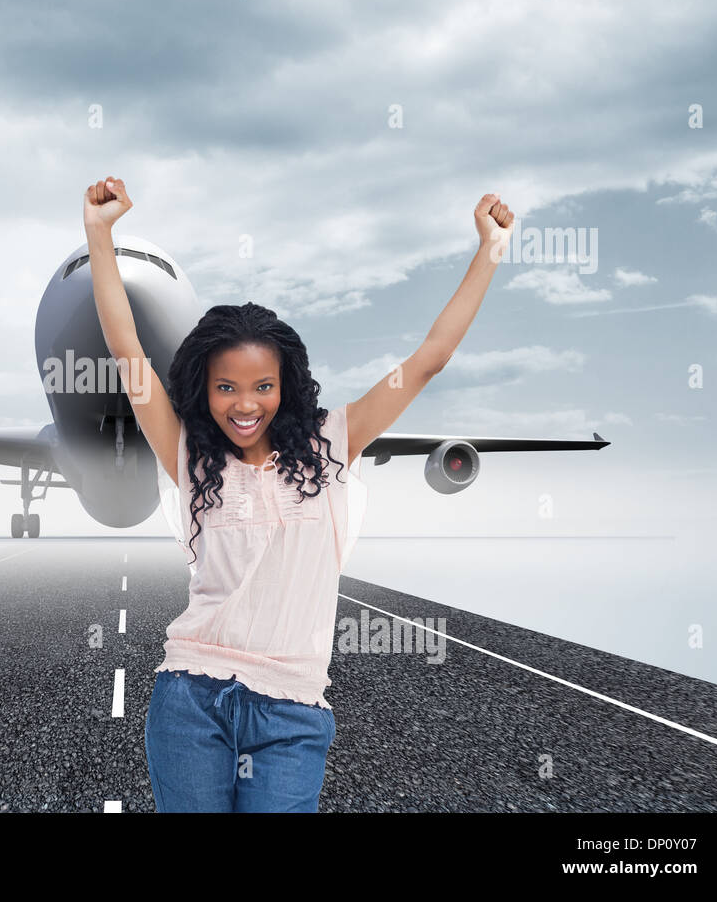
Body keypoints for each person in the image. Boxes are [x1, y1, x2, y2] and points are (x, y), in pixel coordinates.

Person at [84, 175, 515, 812]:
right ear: (204, 389)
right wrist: (100, 235)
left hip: (291, 713)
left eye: (262, 385)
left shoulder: (334, 443)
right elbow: (127, 352)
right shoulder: (191, 458)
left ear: (286, 385)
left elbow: (429, 358)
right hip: (190, 700)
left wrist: (490, 250)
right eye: (225, 387)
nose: (244, 403)